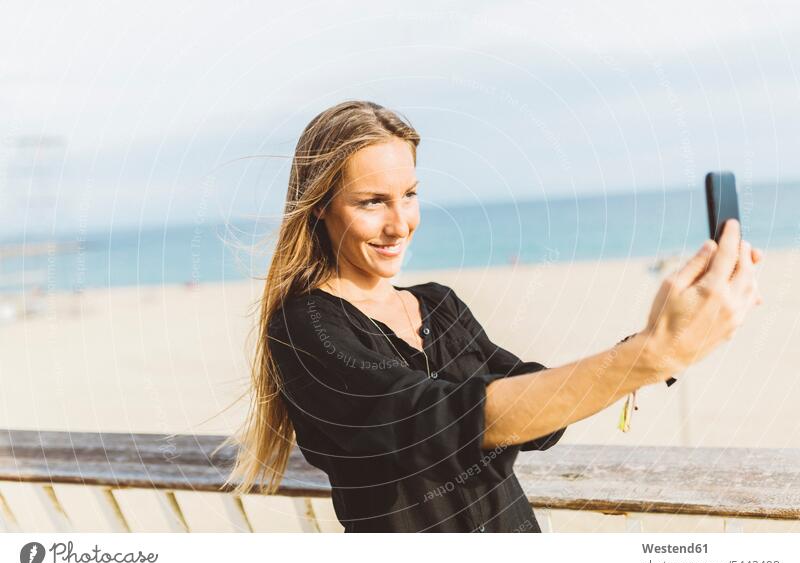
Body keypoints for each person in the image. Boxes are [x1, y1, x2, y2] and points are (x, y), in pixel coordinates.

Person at [221, 100, 764, 532]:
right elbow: (437, 421)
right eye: (371, 202)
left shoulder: (437, 304)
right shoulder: (305, 327)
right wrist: (649, 356)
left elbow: (532, 410)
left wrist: (656, 340)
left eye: (409, 194)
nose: (399, 223)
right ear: (320, 206)